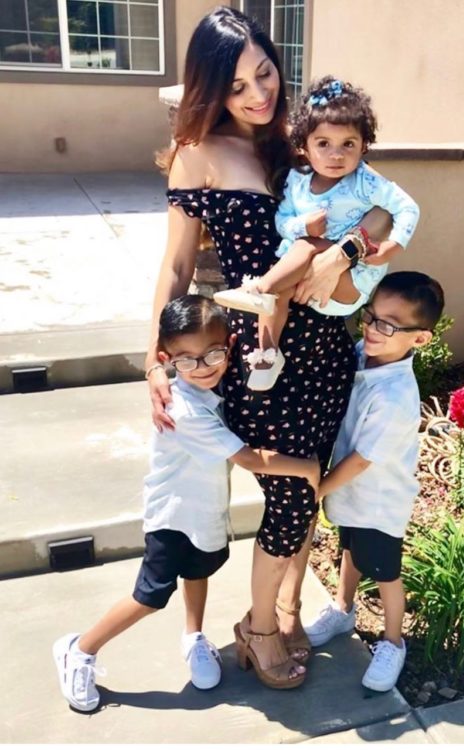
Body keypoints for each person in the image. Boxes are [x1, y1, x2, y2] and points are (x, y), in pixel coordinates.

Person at [146, 7, 392, 689]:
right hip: (261, 357)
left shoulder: (298, 141)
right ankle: (256, 631)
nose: (258, 94)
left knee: (307, 486)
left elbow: (380, 206)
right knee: (288, 491)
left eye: (264, 74)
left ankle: (285, 609)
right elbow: (174, 267)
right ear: (210, 92)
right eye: (236, 87)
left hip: (325, 349)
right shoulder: (196, 155)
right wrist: (155, 357)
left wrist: (345, 250)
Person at [53, 295, 320, 712]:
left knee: (199, 570)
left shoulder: (210, 394)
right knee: (149, 596)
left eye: (213, 353)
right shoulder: (183, 408)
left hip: (204, 513)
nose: (204, 366)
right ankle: (80, 649)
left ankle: (194, 636)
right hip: (173, 516)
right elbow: (247, 457)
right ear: (167, 359)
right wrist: (306, 466)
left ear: (229, 346)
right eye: (188, 359)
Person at [214, 76, 420, 391]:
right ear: (304, 147)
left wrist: (393, 246)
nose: (336, 155)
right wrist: (303, 225)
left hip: (352, 280)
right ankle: (268, 354)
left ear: (364, 145)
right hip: (308, 281)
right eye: (323, 144)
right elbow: (282, 223)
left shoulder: (366, 182)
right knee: (278, 293)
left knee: (301, 251)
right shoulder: (296, 183)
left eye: (347, 144)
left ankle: (256, 289)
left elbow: (408, 208)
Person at [303, 272, 445, 692]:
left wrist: (318, 489)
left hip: (380, 499)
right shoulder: (366, 351)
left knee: (385, 571)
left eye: (389, 324)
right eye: (371, 316)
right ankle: (343, 609)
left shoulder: (396, 396)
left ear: (420, 339)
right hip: (352, 492)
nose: (372, 328)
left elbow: (364, 459)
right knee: (349, 546)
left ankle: (393, 642)